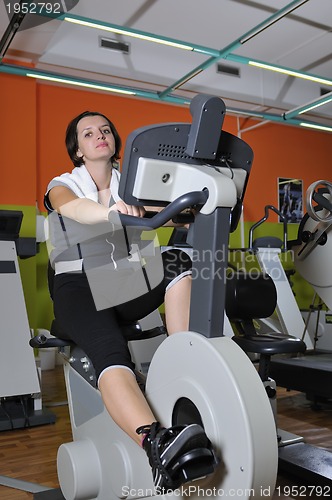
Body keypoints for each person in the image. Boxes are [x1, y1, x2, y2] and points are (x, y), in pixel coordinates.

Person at [45, 111, 218, 490]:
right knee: (111, 350)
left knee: (178, 259)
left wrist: (193, 209)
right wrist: (110, 212)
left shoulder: (133, 184)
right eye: (88, 133)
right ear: (78, 149)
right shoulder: (64, 183)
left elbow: (167, 213)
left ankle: (186, 362)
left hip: (122, 283)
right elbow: (70, 207)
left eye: (105, 130)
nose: (99, 135)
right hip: (77, 287)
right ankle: (156, 444)